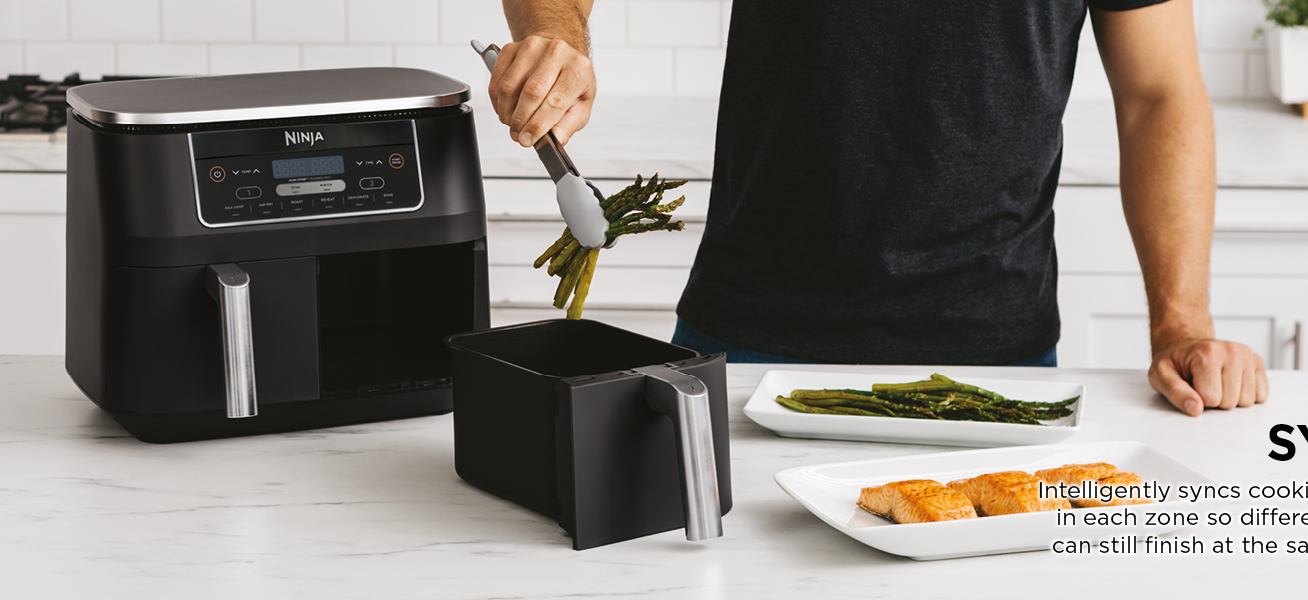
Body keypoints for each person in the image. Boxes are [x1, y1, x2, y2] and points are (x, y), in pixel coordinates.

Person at [487, 0, 1268, 417]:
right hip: (750, 339)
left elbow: (1159, 94)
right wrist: (557, 35)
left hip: (994, 355)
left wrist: (1181, 324)